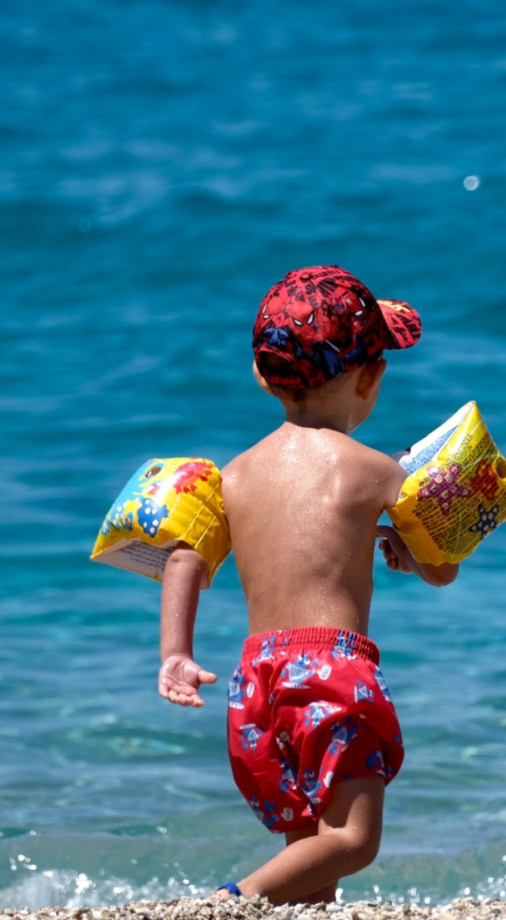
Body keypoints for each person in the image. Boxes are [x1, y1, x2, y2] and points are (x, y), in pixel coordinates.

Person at [154, 266, 457, 904]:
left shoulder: (231, 476)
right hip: (330, 672)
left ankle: (255, 904)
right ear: (370, 379)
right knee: (352, 841)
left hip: (256, 683)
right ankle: (225, 905)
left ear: (264, 376)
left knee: (311, 864)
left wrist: (175, 655)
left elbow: (184, 559)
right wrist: (410, 547)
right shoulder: (378, 471)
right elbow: (442, 568)